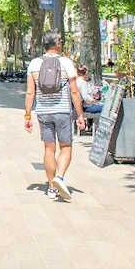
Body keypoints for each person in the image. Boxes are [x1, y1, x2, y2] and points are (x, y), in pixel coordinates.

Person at [23, 32, 84, 200]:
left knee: (49, 149)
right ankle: (60, 177)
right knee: (66, 147)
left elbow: (30, 92)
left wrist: (27, 116)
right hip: (62, 111)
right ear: (57, 44)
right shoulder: (66, 63)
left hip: (43, 112)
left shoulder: (34, 63)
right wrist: (80, 114)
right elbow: (74, 91)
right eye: (60, 41)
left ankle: (51, 187)